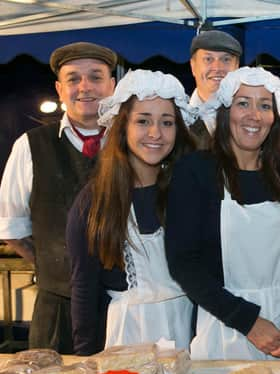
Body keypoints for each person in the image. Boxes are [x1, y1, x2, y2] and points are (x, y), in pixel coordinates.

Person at [165, 67, 280, 365]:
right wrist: (248, 321)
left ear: (275, 117)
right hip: (225, 325)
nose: (254, 115)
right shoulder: (196, 170)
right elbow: (183, 262)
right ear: (225, 112)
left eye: (264, 105)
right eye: (243, 103)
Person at [66, 70, 197, 355]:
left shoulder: (188, 190)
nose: (155, 133)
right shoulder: (94, 200)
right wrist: (85, 360)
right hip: (126, 337)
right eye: (143, 121)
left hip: (189, 330)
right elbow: (84, 291)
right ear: (121, 127)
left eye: (166, 122)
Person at [0, 42, 116, 353]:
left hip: (123, 309)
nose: (85, 87)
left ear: (112, 85)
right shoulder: (30, 146)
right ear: (59, 88)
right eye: (73, 79)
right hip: (58, 312)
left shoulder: (135, 142)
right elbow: (11, 230)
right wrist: (56, 268)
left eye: (95, 77)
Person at [188, 29, 242, 147]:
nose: (217, 68)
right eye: (208, 59)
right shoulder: (177, 117)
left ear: (237, 67)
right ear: (193, 66)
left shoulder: (248, 116)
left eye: (226, 59)